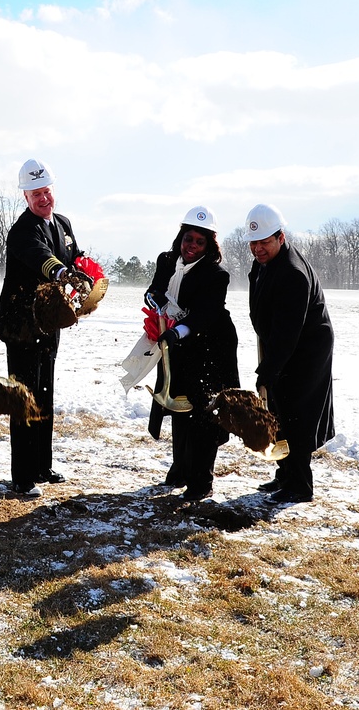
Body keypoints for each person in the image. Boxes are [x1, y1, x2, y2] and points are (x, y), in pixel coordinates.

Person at [0, 158, 84, 497]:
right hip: (21, 325)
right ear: (25, 196)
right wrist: (62, 273)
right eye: (36, 194)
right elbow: (43, 258)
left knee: (45, 392)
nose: (43, 199)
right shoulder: (22, 229)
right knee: (24, 396)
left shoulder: (62, 223)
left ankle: (42, 465)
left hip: (49, 322)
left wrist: (86, 272)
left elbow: (74, 257)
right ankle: (22, 476)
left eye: (46, 191)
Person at [144, 206, 240, 501]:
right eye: (189, 239)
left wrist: (178, 330)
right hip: (176, 345)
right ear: (181, 237)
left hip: (211, 346)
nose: (192, 246)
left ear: (210, 244)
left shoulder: (216, 274)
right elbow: (153, 290)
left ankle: (201, 481)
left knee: (205, 412)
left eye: (200, 241)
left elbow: (204, 315)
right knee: (178, 406)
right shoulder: (166, 261)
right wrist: (158, 304)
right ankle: (181, 468)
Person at [245, 203, 335, 505]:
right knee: (279, 408)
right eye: (253, 243)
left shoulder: (293, 274)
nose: (257, 249)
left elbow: (288, 333)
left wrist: (267, 371)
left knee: (297, 413)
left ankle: (300, 485)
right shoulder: (265, 263)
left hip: (306, 350)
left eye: (264, 242)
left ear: (280, 238)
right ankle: (284, 474)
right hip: (284, 344)